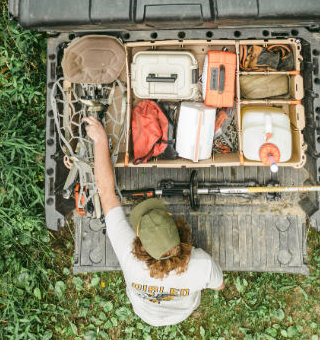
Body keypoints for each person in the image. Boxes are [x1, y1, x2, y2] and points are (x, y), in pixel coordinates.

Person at [83, 116, 225, 327]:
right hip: (181, 311)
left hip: (145, 313)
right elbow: (219, 286)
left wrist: (100, 141)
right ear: (176, 228)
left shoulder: (131, 259)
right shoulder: (201, 265)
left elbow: (105, 192)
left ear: (139, 244)